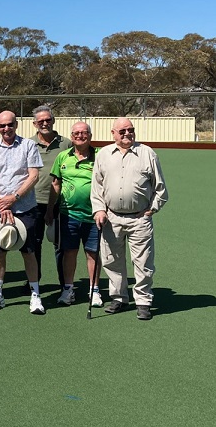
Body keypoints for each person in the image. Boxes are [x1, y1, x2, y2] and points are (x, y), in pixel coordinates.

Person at [91, 118, 168, 320]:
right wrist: (99, 210)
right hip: (111, 218)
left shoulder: (147, 153)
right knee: (112, 261)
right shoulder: (104, 155)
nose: (127, 133)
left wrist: (151, 210)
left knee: (143, 262)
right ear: (113, 133)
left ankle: (143, 301)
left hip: (140, 218)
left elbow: (160, 188)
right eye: (123, 130)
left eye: (131, 130)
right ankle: (118, 298)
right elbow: (96, 188)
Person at [0, 111, 45, 315]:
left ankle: (35, 295)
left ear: (16, 125)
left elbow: (33, 176)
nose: (6, 129)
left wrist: (14, 198)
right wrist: (1, 204)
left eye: (9, 125)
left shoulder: (28, 146)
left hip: (25, 208)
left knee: (28, 252)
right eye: (2, 126)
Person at [47, 122, 103, 307]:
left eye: (84, 133)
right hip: (68, 215)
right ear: (71, 137)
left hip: (94, 216)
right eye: (76, 133)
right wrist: (50, 210)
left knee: (93, 253)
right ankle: (68, 290)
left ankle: (94, 291)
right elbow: (56, 184)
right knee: (69, 252)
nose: (80, 136)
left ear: (90, 135)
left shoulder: (100, 156)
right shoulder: (63, 156)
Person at [28, 105, 72, 292]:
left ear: (53, 120)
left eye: (48, 120)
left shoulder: (66, 144)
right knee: (34, 244)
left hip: (60, 203)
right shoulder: (28, 144)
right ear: (34, 124)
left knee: (60, 244)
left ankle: (65, 284)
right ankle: (34, 282)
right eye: (41, 121)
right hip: (34, 201)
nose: (45, 123)